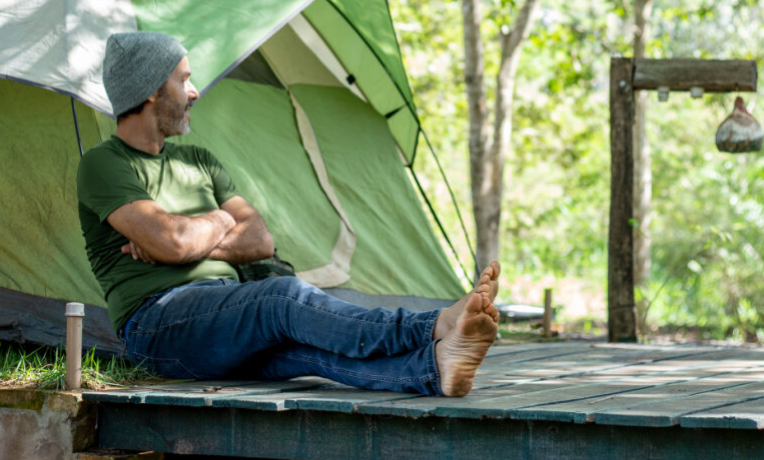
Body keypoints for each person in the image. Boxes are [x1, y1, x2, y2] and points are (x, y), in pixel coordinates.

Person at [77, 31, 500, 397]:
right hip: (158, 325)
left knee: (301, 352)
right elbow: (173, 241)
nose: (195, 92)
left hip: (227, 311)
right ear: (151, 89)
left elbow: (260, 241)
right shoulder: (105, 164)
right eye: (183, 80)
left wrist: (187, 244)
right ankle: (430, 326)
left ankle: (435, 368)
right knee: (282, 297)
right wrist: (220, 221)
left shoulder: (199, 160)